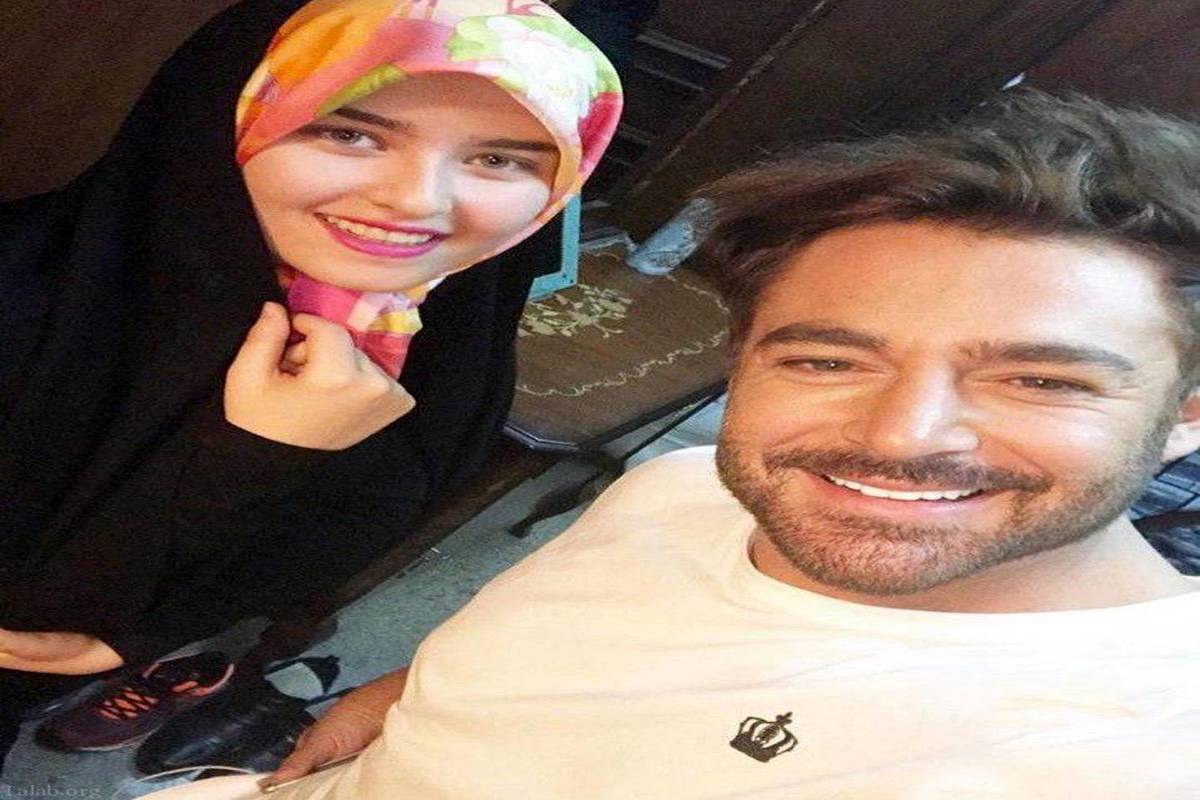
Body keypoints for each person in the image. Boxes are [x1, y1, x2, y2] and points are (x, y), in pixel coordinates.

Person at [148, 89, 1200, 799]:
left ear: (1187, 414)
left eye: (1040, 379)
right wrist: (406, 701)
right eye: (827, 359)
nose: (900, 435)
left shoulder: (1141, 752)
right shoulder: (683, 487)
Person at [0, 0, 620, 758]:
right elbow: (35, 619)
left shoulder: (447, 343)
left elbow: (317, 552)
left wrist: (155, 631)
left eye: (499, 160)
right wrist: (253, 455)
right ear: (229, 118)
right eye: (348, 133)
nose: (417, 200)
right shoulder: (23, 295)